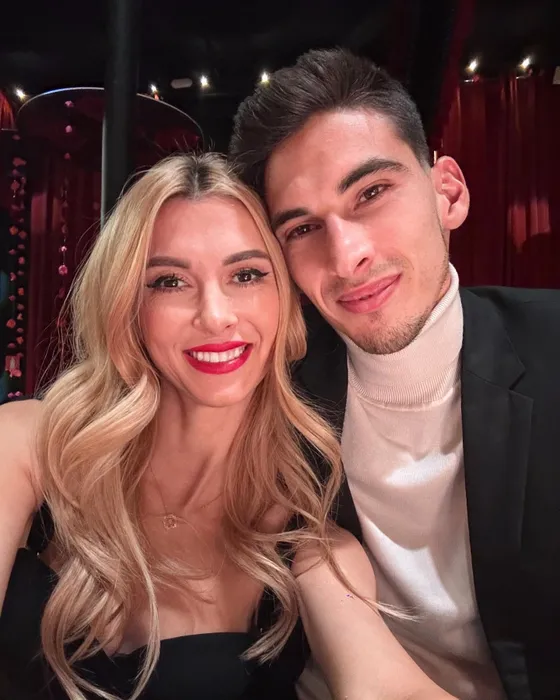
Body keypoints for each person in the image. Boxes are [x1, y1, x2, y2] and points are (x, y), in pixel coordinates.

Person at [0, 153, 456, 700]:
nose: (215, 315)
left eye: (246, 275)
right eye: (169, 282)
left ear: (286, 301)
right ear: (127, 305)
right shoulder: (27, 444)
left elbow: (387, 687)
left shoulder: (310, 544)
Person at [230, 48, 560, 700]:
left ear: (448, 193)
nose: (346, 255)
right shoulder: (274, 385)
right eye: (303, 228)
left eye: (372, 193)